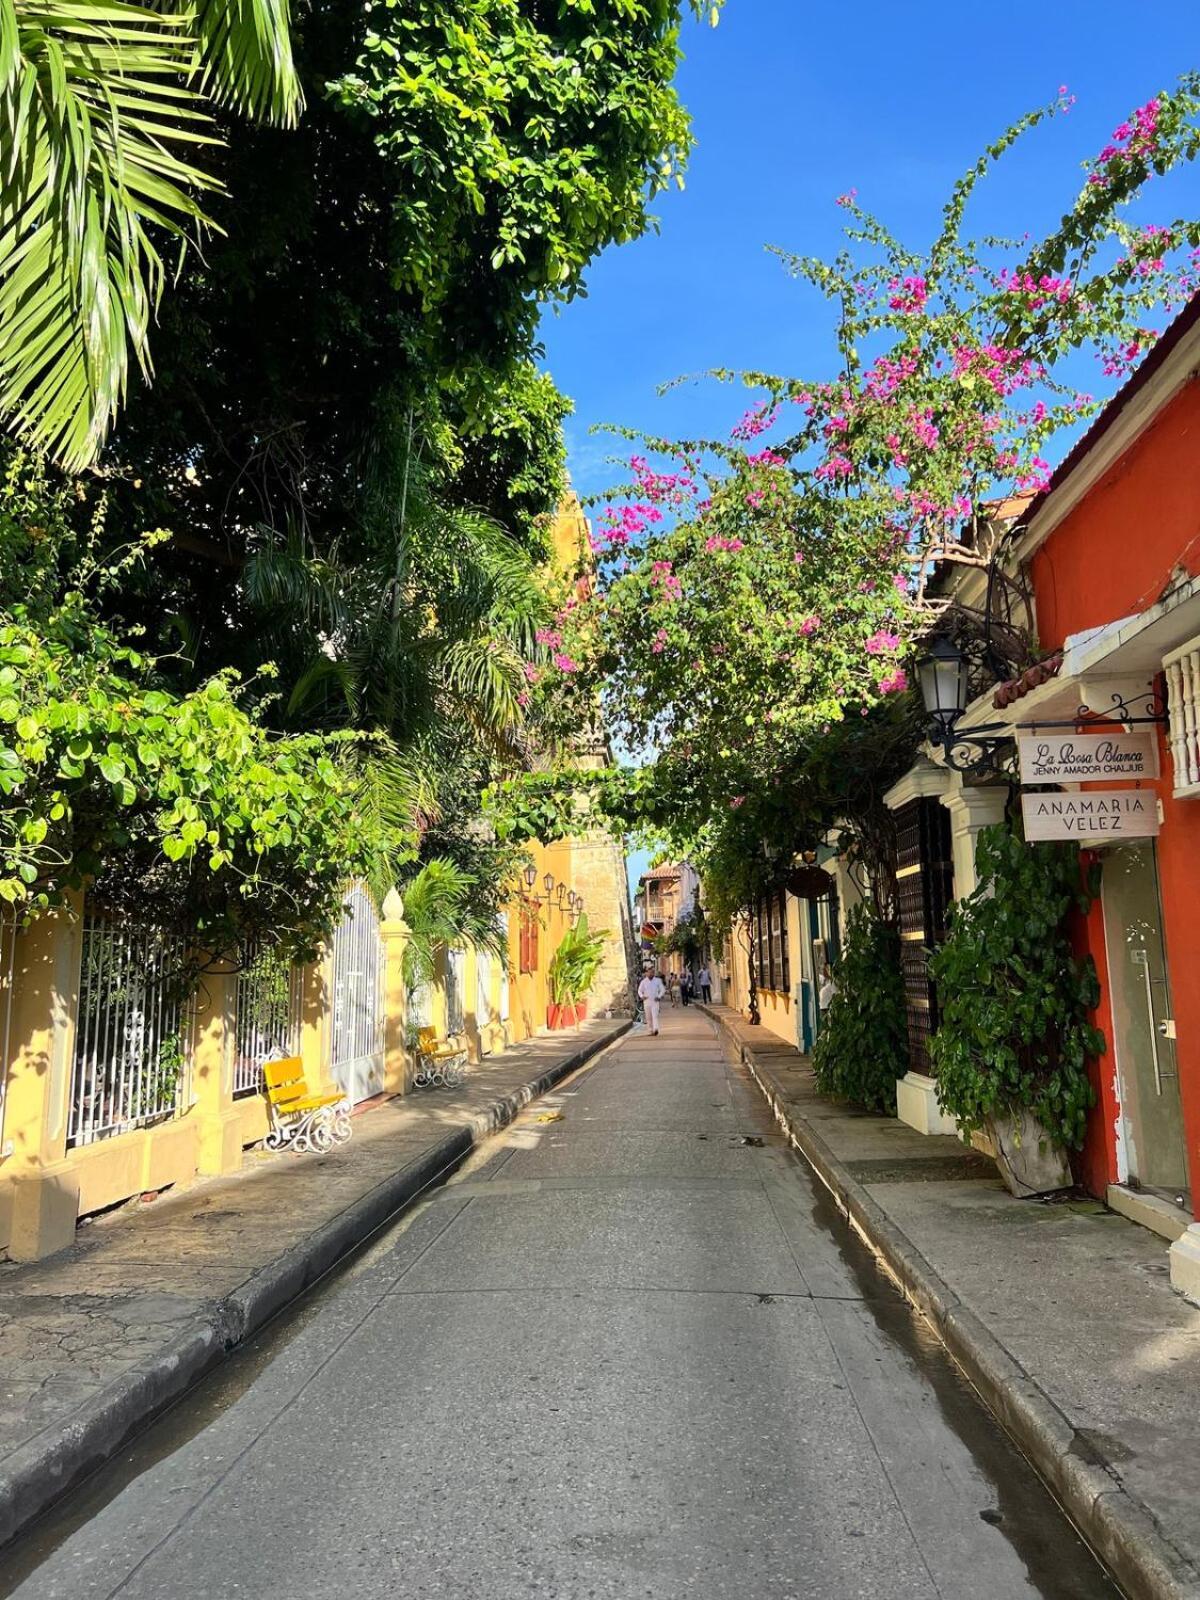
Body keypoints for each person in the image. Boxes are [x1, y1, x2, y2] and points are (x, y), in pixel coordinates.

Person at [638, 969, 665, 1035]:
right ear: (647, 973)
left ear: (654, 973)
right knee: (648, 1017)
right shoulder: (643, 981)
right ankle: (650, 1030)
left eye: (652, 973)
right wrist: (642, 996)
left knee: (654, 1016)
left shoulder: (658, 980)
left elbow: (662, 990)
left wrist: (659, 996)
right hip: (647, 1001)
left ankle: (656, 1029)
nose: (650, 974)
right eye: (649, 973)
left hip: (655, 1001)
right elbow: (639, 990)